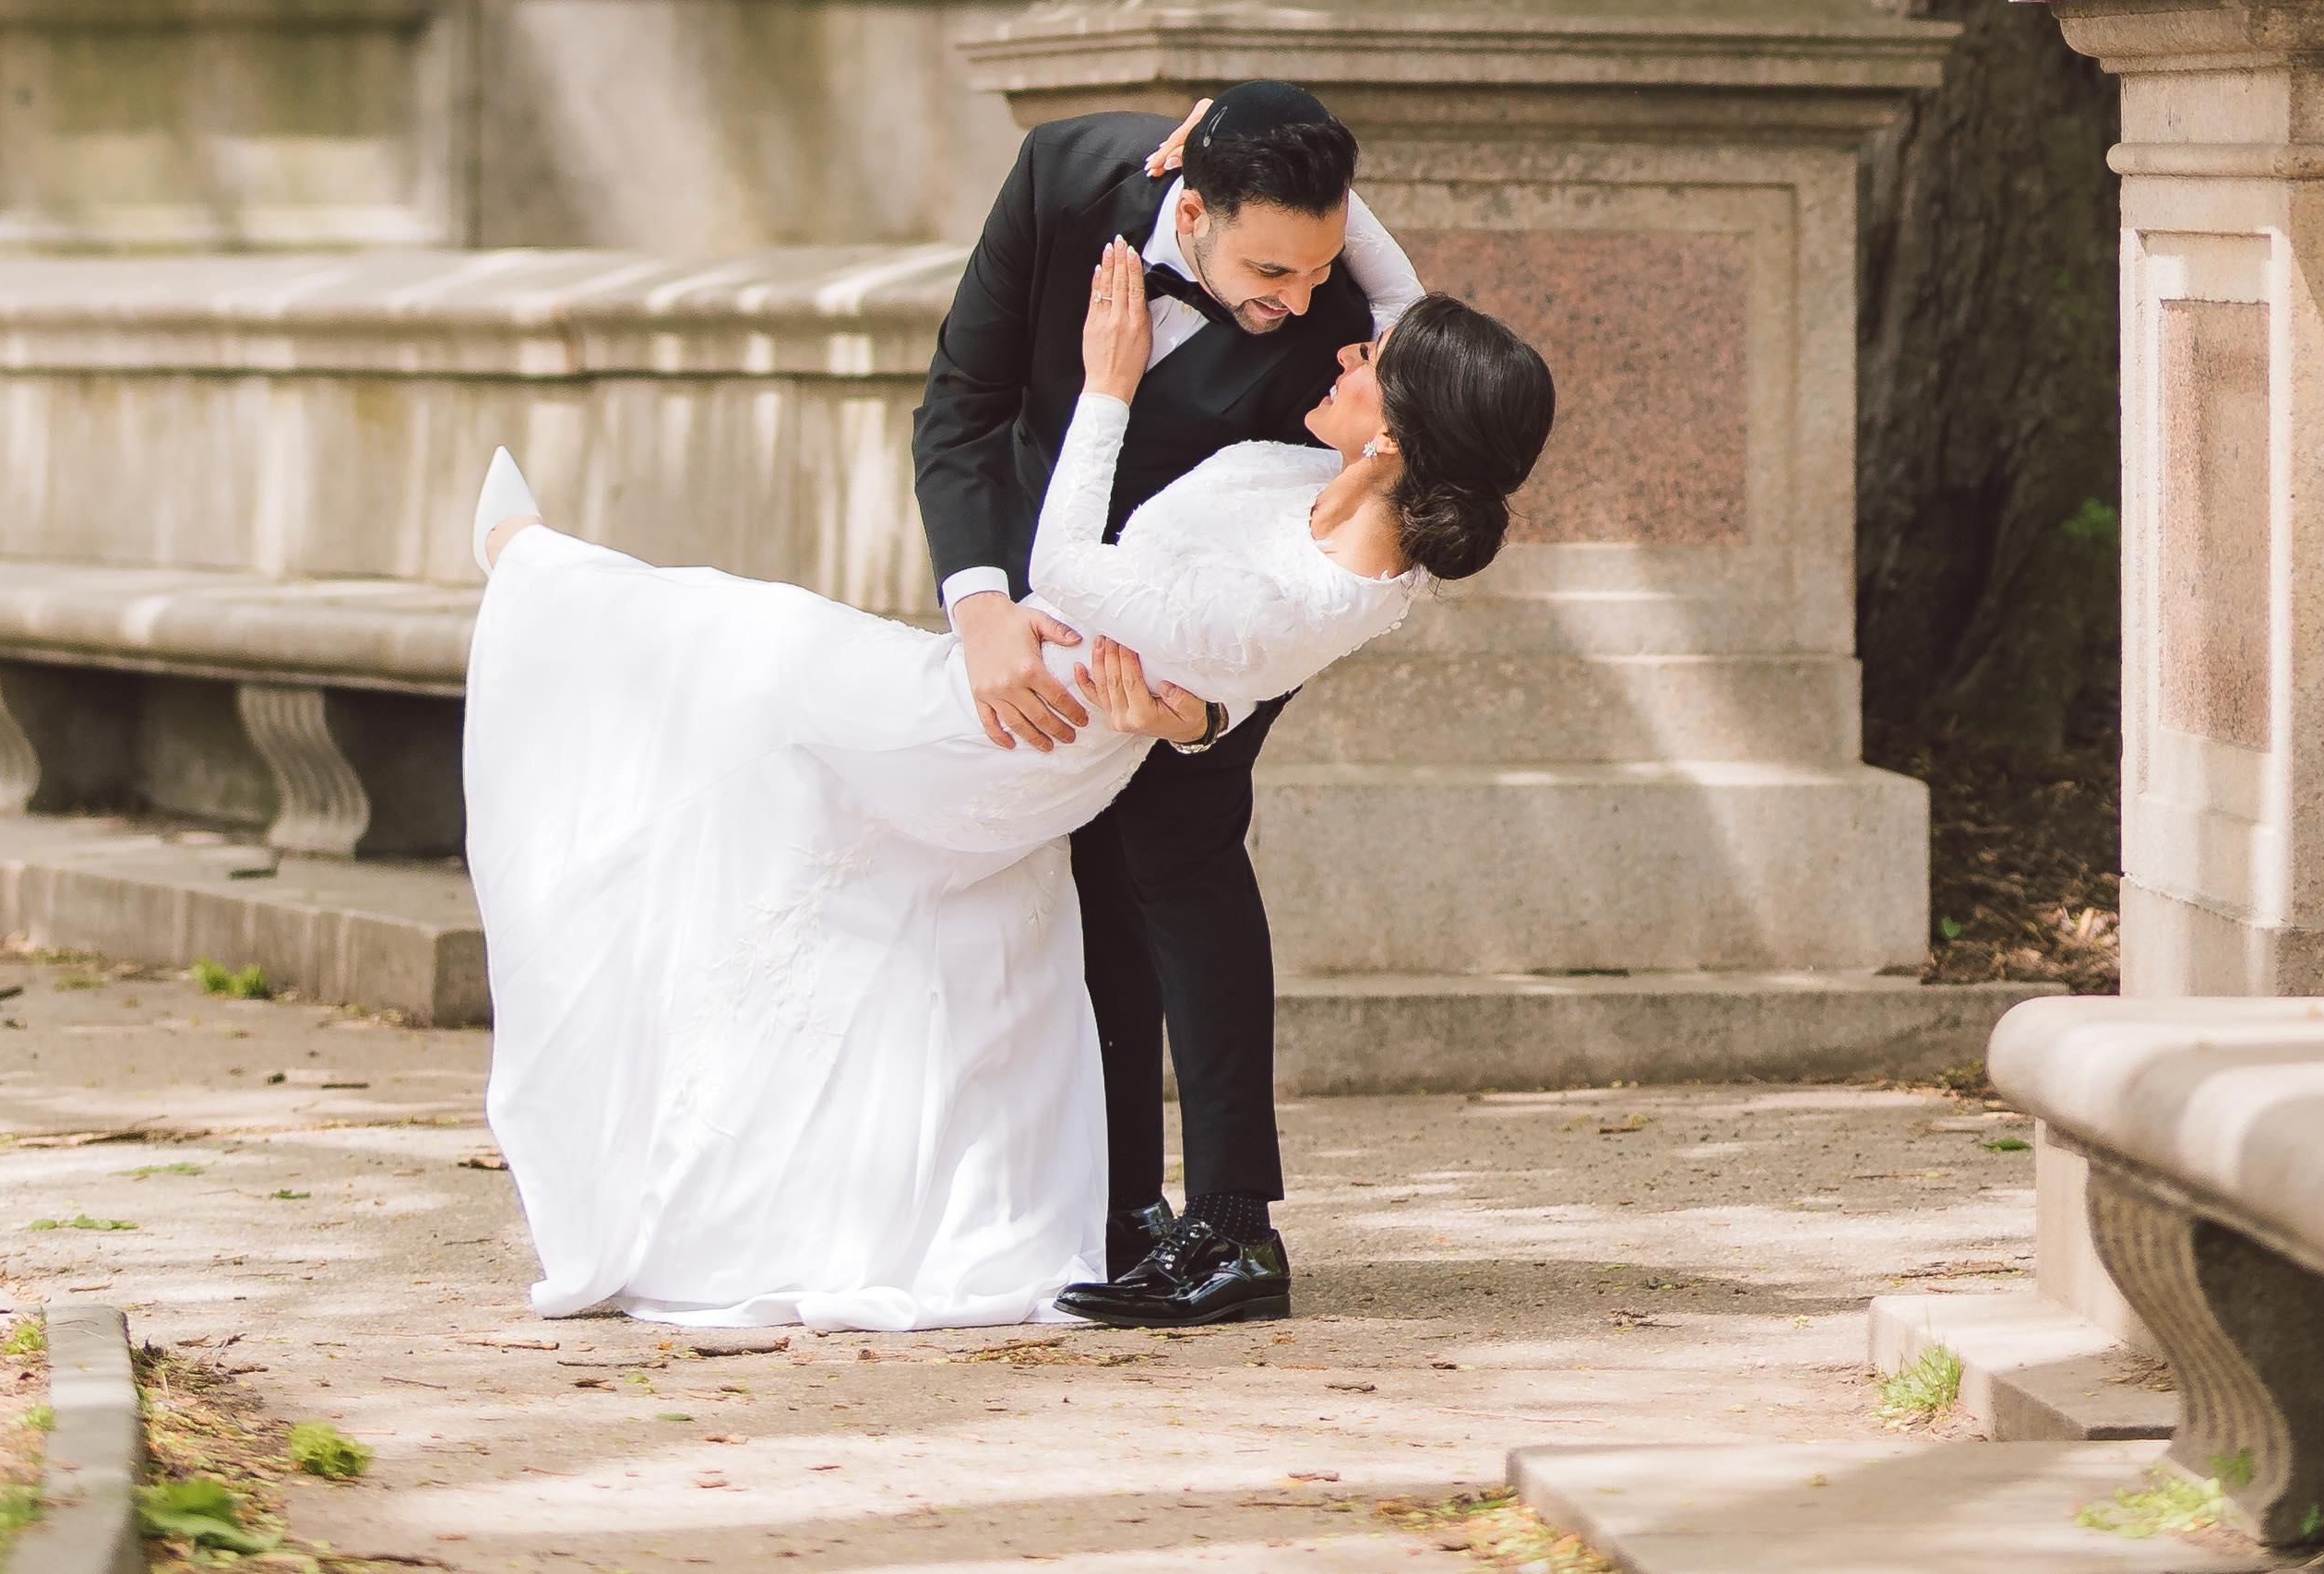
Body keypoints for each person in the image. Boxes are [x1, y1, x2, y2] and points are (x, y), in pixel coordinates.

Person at [462, 239, 1555, 1337]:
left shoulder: (1325, 586)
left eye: (1371, 358)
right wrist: (1228, 141)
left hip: (1001, 733)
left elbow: (1072, 564)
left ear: (1398, 435)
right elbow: (1388, 302)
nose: (1347, 343)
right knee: (777, 768)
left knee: (740, 642)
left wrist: (1109, 384)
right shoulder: (1335, 496)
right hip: (1015, 697)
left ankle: (535, 576)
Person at [912, 80, 1431, 1330]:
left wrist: (1208, 718)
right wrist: (982, 606)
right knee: (1072, 872)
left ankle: (1236, 1227)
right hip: (1029, 605)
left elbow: (1313, 570)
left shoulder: (1342, 330)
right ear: (1188, 203)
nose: (1296, 301)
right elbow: (964, 406)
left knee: (1177, 850)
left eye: (1319, 266)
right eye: (1267, 265)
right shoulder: (1060, 176)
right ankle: (1113, 1203)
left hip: (1204, 628)